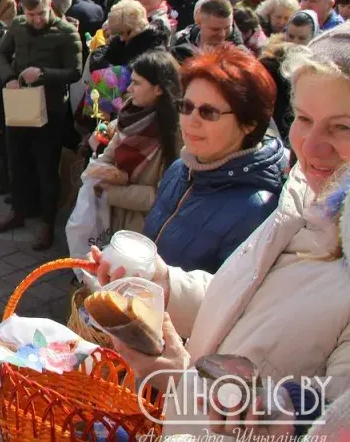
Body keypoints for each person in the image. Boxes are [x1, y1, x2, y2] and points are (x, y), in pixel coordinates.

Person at [90, 24, 350, 439]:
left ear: (248, 124)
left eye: (343, 127)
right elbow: (247, 300)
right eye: (303, 118)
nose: (311, 145)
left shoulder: (267, 201)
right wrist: (164, 282)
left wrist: (181, 378)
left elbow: (323, 419)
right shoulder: (304, 202)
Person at [143, 45, 285, 272]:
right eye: (186, 107)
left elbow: (229, 299)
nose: (191, 120)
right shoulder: (181, 168)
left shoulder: (257, 209)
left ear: (249, 124)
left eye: (208, 112)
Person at [0, 0, 83, 247]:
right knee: (17, 162)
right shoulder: (18, 26)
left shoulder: (66, 32)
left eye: (41, 13)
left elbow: (75, 71)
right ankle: (19, 211)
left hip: (50, 110)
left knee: (46, 168)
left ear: (50, 6)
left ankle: (47, 222)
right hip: (20, 104)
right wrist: (8, 76)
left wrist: (42, 73)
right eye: (31, 15)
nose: (36, 19)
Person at [84, 50, 182, 234]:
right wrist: (101, 173)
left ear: (158, 89)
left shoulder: (176, 133)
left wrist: (111, 192)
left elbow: (165, 195)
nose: (129, 88)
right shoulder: (129, 117)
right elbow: (107, 157)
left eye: (136, 83)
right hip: (111, 220)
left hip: (143, 230)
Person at [90, 0, 170, 72]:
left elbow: (142, 71)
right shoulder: (123, 35)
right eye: (118, 33)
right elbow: (100, 54)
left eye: (121, 33)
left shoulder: (155, 45)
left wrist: (116, 72)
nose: (121, 38)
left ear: (137, 26)